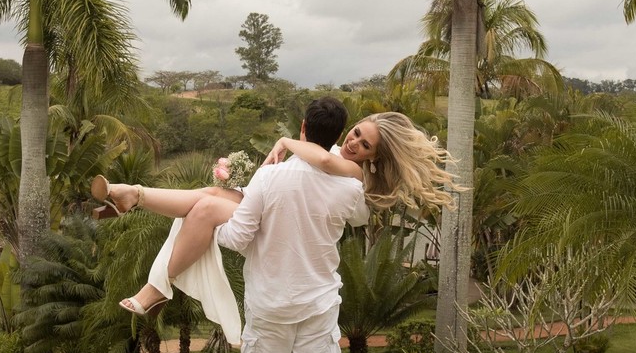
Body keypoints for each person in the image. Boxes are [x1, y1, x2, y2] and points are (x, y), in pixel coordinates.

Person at [90, 107, 460, 336]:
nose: (354, 143)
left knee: (203, 208)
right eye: (357, 132)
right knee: (208, 195)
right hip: (275, 210)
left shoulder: (354, 173)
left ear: (374, 157)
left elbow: (326, 162)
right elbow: (315, 159)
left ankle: (157, 285)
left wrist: (285, 141)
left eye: (365, 146)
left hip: (283, 227)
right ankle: (133, 195)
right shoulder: (334, 151)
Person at [217, 99, 368, 353]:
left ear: (302, 127)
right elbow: (360, 216)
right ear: (337, 137)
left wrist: (213, 223)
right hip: (318, 300)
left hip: (269, 299)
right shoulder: (351, 186)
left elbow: (236, 238)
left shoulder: (269, 177)